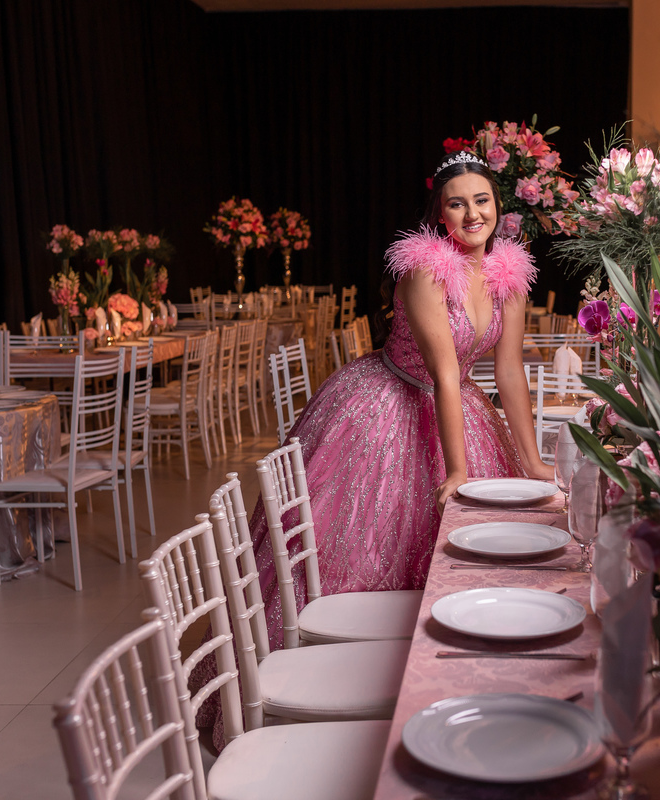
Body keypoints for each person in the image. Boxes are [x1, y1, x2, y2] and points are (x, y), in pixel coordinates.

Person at [195, 151, 555, 749]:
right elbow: (443, 373)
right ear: (440, 213)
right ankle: (345, 687)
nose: (472, 213)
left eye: (483, 200)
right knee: (363, 541)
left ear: (499, 207)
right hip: (384, 403)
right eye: (458, 202)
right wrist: (458, 468)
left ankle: (455, 693)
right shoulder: (423, 273)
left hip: (459, 403)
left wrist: (535, 458)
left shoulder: (509, 278)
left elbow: (509, 374)